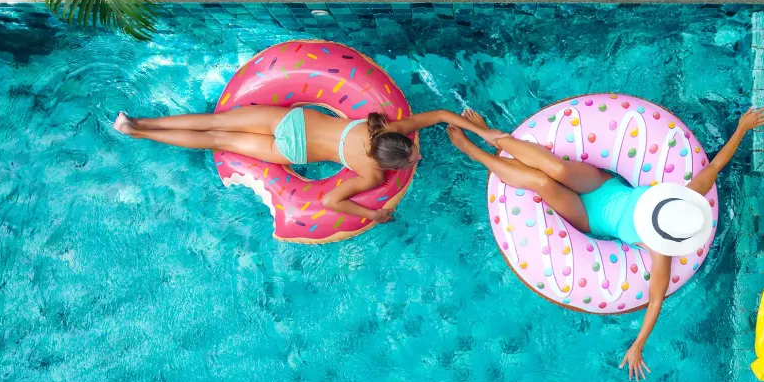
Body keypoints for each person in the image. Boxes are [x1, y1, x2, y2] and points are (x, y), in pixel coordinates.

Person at [447, 107, 764, 382]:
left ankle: (474, 152)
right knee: (556, 168)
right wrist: (741, 128)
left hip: (587, 216)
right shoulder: (685, 200)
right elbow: (714, 166)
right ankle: (485, 132)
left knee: (544, 183)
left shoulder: (661, 250)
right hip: (601, 184)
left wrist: (638, 344)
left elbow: (656, 300)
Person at [114, 106, 503, 223]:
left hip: (291, 122)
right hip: (291, 150)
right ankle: (139, 132)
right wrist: (373, 216)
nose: (419, 155)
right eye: (415, 156)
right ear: (392, 163)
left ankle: (136, 124)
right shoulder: (371, 173)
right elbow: (333, 200)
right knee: (216, 141)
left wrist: (480, 131)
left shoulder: (385, 127)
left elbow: (438, 115)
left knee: (215, 125)